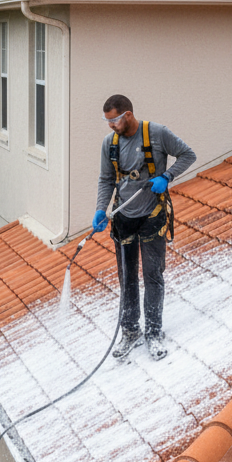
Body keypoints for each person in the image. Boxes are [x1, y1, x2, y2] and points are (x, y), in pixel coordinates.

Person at [93, 94, 196, 361]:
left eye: (114, 120)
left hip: (152, 214)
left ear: (128, 115)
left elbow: (188, 154)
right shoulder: (109, 144)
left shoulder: (157, 134)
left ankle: (153, 331)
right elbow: (106, 179)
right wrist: (101, 209)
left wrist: (167, 176)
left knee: (152, 275)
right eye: (107, 121)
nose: (110, 125)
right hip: (124, 217)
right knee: (127, 277)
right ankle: (130, 331)